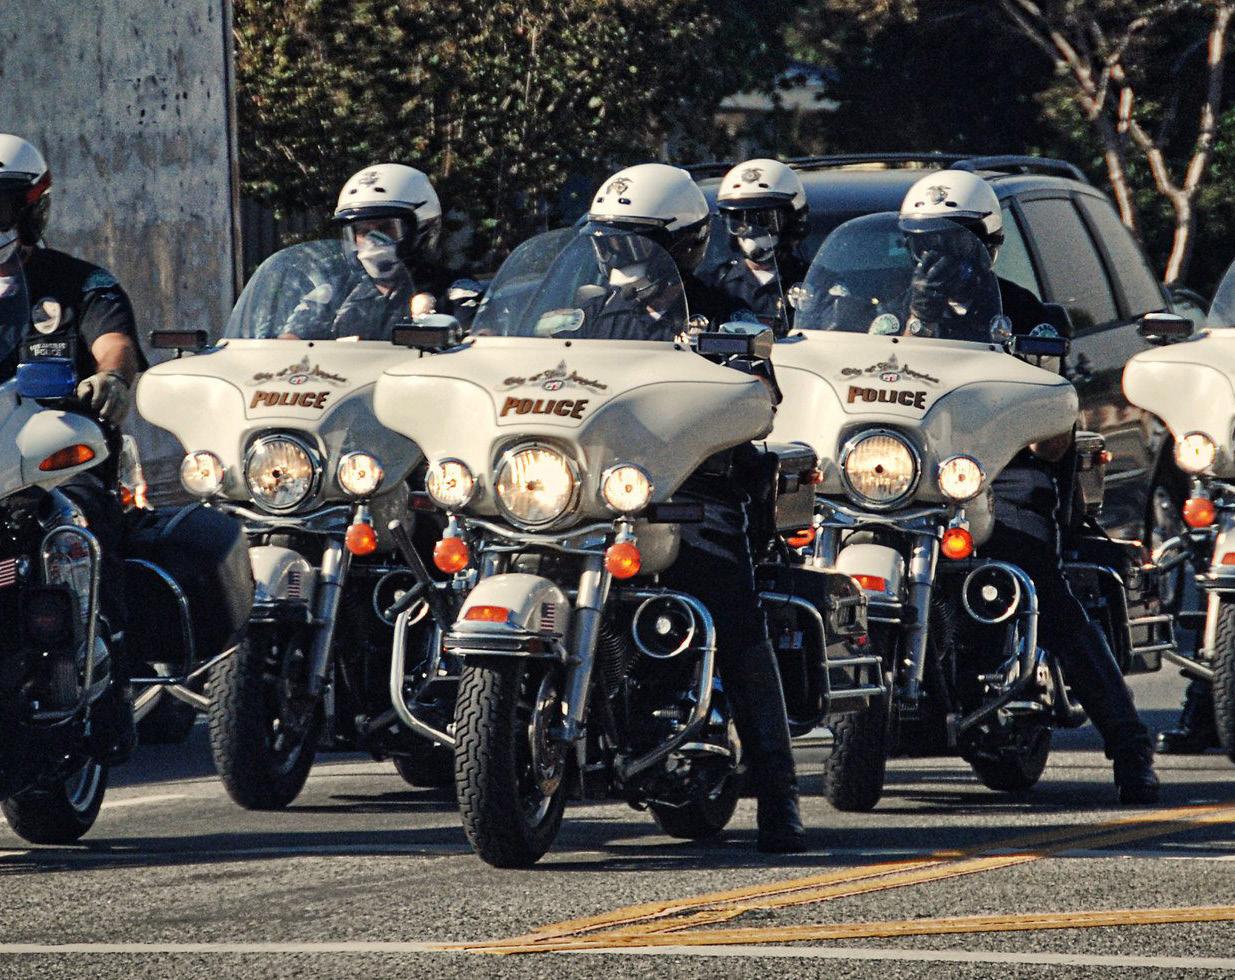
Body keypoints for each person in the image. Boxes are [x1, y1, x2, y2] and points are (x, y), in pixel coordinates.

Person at [900, 170, 1160, 803]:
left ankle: (1130, 746)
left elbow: (1053, 440)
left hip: (1005, 471)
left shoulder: (1030, 318)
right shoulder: (889, 315)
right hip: (913, 472)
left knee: (1037, 574)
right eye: (923, 244)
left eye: (952, 242)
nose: (937, 258)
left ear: (987, 245)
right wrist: (914, 319)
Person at [586, 163, 805, 851]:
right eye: (609, 243)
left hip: (697, 489)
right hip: (600, 487)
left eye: (634, 243)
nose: (619, 258)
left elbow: (763, 401)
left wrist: (735, 368)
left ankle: (779, 793)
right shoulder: (590, 316)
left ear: (680, 245)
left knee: (730, 609)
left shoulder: (727, 312)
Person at [0, 133, 145, 762]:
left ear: (31, 207)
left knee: (79, 520)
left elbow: (115, 343)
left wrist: (111, 377)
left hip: (54, 454)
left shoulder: (79, 281)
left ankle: (109, 684)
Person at [283, 163, 451, 339]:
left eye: (386, 228)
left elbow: (470, 343)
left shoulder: (451, 292)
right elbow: (287, 344)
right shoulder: (334, 294)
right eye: (362, 231)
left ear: (423, 229)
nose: (372, 241)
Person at [704, 159, 810, 333]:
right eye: (738, 220)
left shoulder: (814, 284)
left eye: (764, 220)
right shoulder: (712, 287)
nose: (751, 230)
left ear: (793, 222)